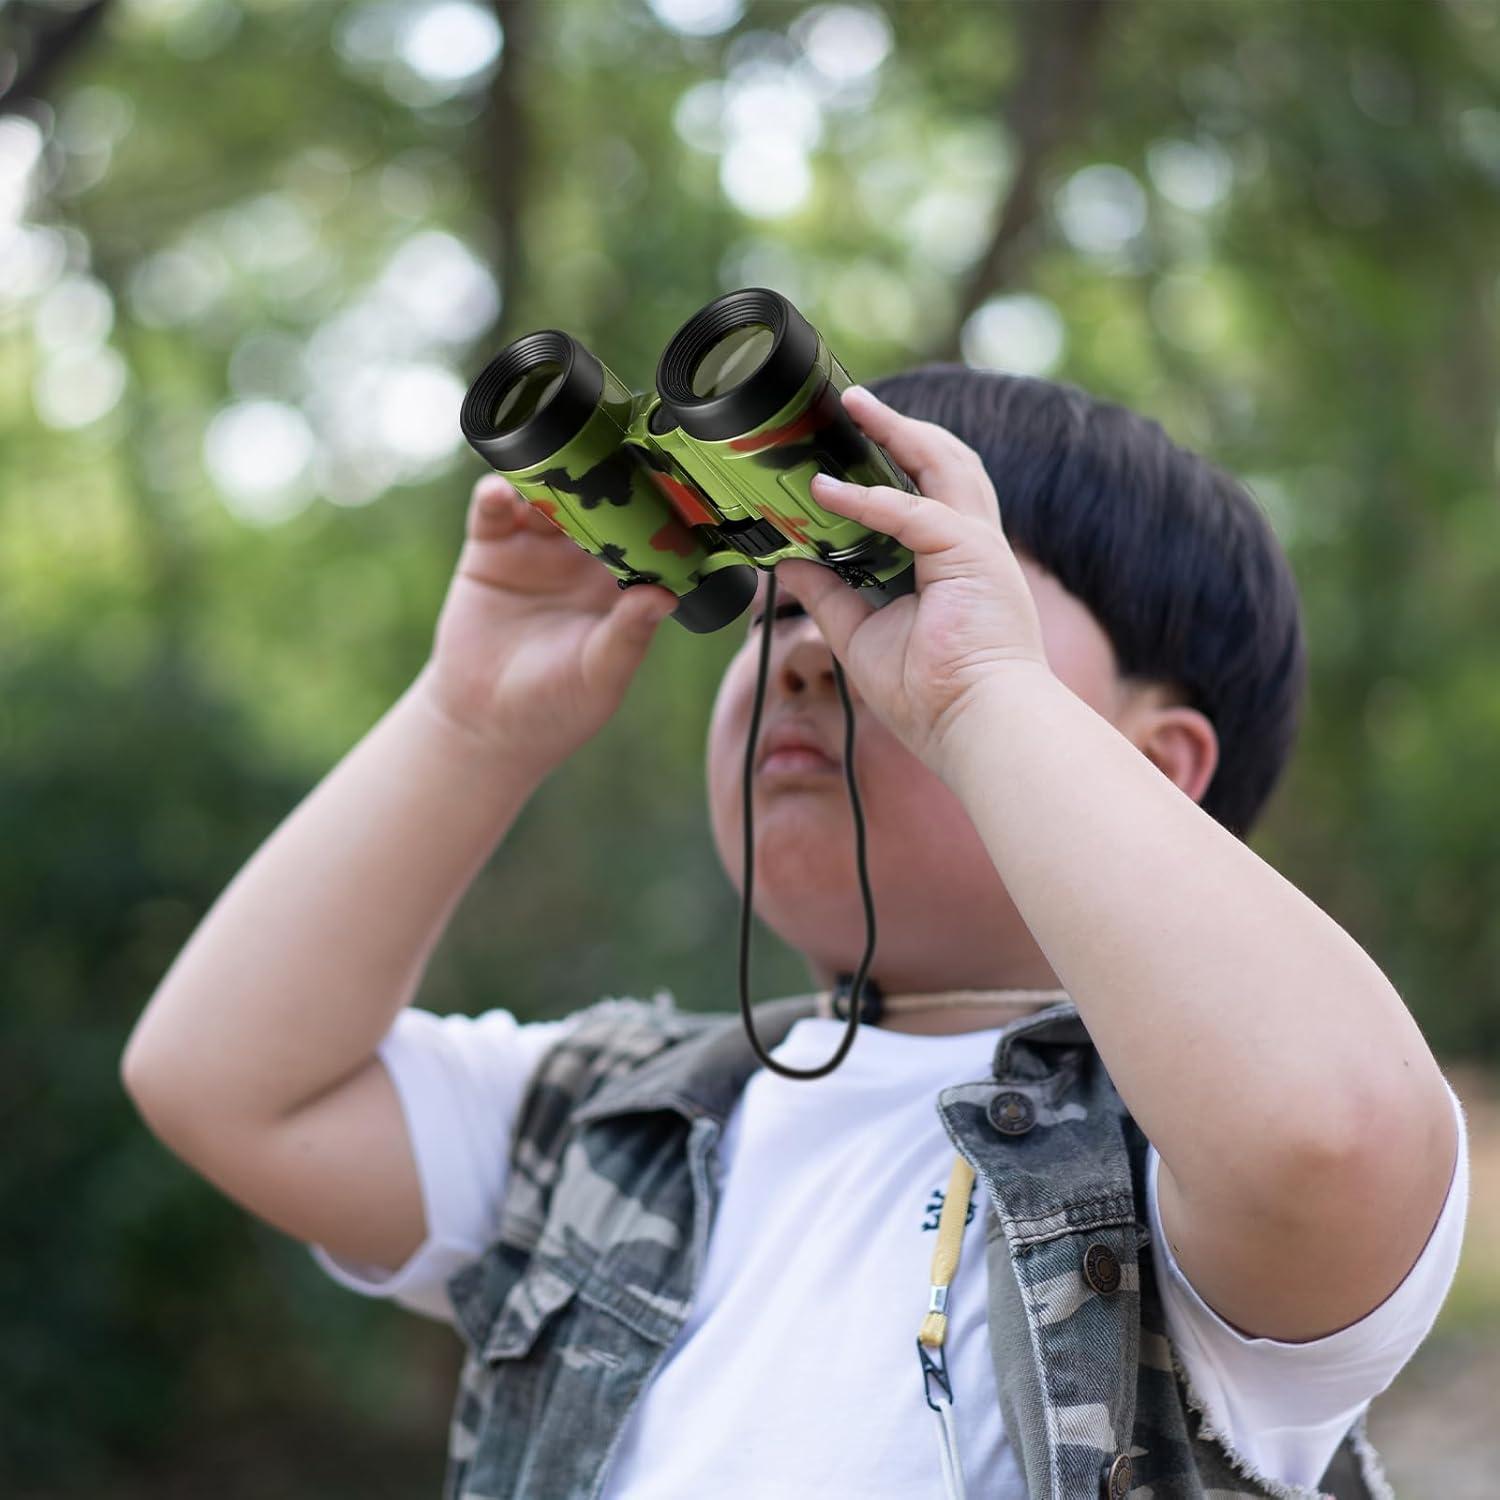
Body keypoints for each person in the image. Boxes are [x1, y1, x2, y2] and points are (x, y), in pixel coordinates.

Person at [120, 367, 1468, 1500]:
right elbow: (230, 1084)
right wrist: (471, 722)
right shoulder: (616, 1124)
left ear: (1157, 765)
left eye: (883, 592)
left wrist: (975, 692)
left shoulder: (1187, 1163)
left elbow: (1330, 1135)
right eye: (770, 606)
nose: (809, 652)